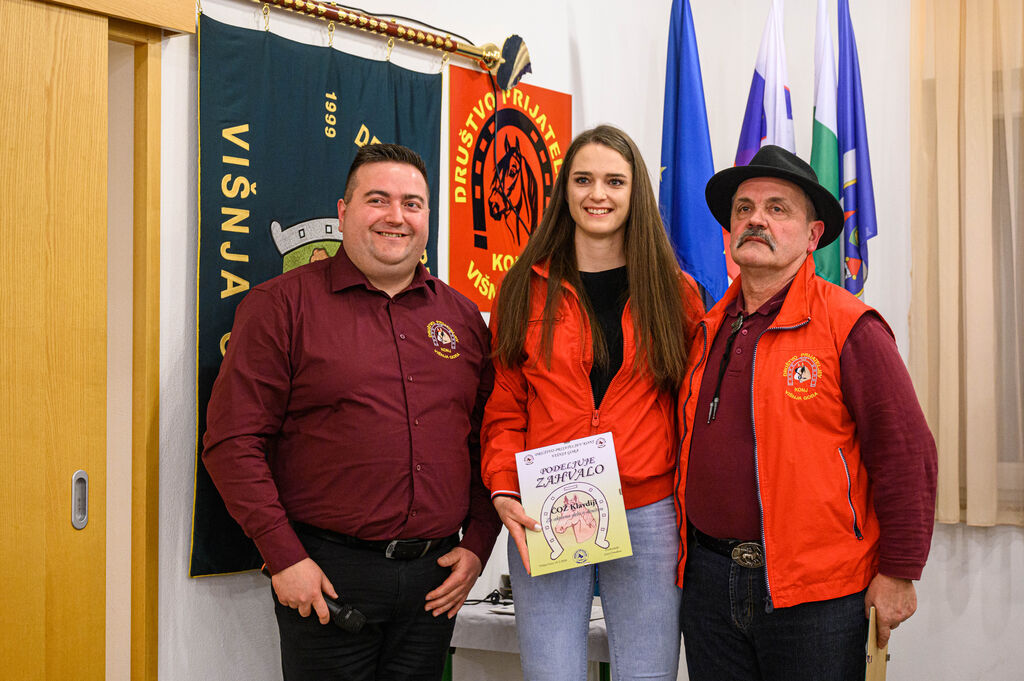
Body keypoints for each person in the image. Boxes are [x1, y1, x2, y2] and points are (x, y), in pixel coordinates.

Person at [202, 143, 502, 681]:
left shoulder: (462, 318)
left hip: (435, 581)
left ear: (428, 217)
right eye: (377, 200)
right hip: (327, 577)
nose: (396, 216)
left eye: (412, 203)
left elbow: (488, 440)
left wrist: (480, 543)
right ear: (343, 213)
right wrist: (284, 557)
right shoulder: (281, 306)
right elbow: (232, 443)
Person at [675, 145, 938, 681]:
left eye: (777, 209)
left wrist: (900, 571)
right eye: (744, 208)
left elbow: (906, 453)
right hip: (708, 584)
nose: (756, 219)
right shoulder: (705, 328)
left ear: (813, 235)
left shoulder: (851, 326)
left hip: (817, 595)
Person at [481, 125, 705, 681]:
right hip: (548, 505)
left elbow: (692, 408)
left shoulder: (676, 292)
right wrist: (504, 486)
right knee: (550, 673)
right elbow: (506, 403)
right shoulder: (521, 286)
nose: (597, 194)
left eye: (614, 181)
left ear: (635, 192)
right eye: (583, 180)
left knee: (648, 674)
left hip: (649, 511)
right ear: (564, 190)